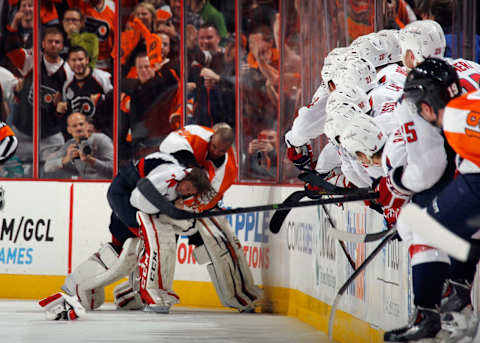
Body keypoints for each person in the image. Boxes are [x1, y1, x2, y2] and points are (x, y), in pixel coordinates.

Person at [39, 151, 214, 319]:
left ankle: (129, 295)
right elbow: (138, 200)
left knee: (144, 242)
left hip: (132, 198)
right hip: (123, 195)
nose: (186, 192)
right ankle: (76, 284)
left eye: (191, 192)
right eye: (188, 188)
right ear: (186, 177)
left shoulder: (181, 180)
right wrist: (170, 208)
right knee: (132, 245)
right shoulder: (166, 176)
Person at [385, 58, 480, 342]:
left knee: (418, 223)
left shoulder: (454, 119)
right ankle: (458, 289)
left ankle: (430, 314)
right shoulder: (470, 100)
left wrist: (397, 181)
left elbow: (430, 169)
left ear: (425, 107)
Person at [159, 123, 263, 312]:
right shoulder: (197, 134)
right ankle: (141, 295)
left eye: (220, 150)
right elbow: (167, 144)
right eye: (213, 146)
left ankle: (242, 296)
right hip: (173, 198)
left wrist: (185, 205)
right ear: (211, 137)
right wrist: (190, 165)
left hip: (201, 208)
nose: (214, 152)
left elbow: (205, 202)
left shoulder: (227, 171)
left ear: (228, 149)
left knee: (224, 246)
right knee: (160, 245)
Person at [11, 27, 73, 177]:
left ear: (62, 45)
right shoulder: (32, 62)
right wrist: (13, 25)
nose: (53, 45)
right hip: (22, 132)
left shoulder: (68, 72)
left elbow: (67, 107)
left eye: (57, 42)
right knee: (15, 173)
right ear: (43, 44)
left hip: (50, 137)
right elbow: (11, 50)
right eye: (50, 41)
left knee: (53, 174)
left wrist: (60, 110)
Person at [59, 46, 113, 137]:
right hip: (79, 135)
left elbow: (117, 103)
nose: (77, 63)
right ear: (68, 62)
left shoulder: (103, 77)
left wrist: (102, 100)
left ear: (87, 60)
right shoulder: (67, 85)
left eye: (80, 59)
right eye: (74, 60)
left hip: (103, 133)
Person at [43, 112, 113, 179]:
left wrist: (90, 160)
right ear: (69, 130)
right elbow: (47, 166)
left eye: (81, 124)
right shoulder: (70, 144)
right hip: (83, 186)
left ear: (87, 125)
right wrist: (66, 159)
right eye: (74, 126)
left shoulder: (101, 139)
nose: (79, 128)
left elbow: (113, 169)